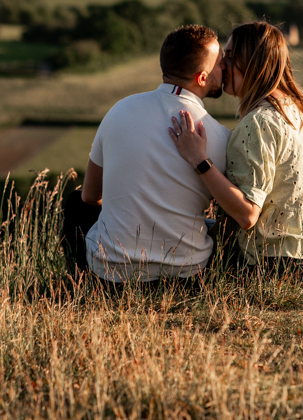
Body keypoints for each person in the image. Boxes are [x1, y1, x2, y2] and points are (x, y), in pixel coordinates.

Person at [168, 21, 303, 280]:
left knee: (184, 237)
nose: (222, 65)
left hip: (283, 266)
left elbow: (247, 215)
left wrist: (199, 159)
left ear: (251, 65)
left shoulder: (258, 123)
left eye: (229, 56)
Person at [70, 24, 231, 284]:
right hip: (185, 278)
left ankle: (76, 283)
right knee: (214, 225)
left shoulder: (119, 111)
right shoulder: (219, 135)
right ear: (202, 78)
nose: (225, 68)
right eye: (221, 63)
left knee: (74, 203)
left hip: (110, 277)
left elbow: (90, 196)